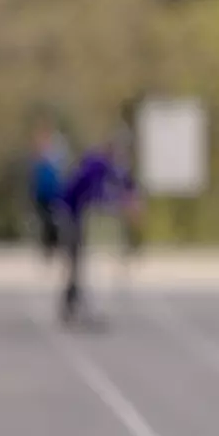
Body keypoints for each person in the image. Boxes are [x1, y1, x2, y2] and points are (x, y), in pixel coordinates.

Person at [55, 127, 140, 325]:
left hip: (84, 217)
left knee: (79, 263)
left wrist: (132, 200)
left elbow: (127, 184)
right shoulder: (95, 164)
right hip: (71, 214)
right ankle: (74, 305)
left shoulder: (114, 166)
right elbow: (97, 194)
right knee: (76, 262)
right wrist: (123, 202)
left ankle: (75, 305)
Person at [29, 118, 68, 260]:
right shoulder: (39, 158)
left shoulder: (55, 156)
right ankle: (48, 246)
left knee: (52, 221)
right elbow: (35, 177)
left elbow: (60, 174)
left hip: (53, 194)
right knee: (45, 221)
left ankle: (53, 245)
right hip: (42, 195)